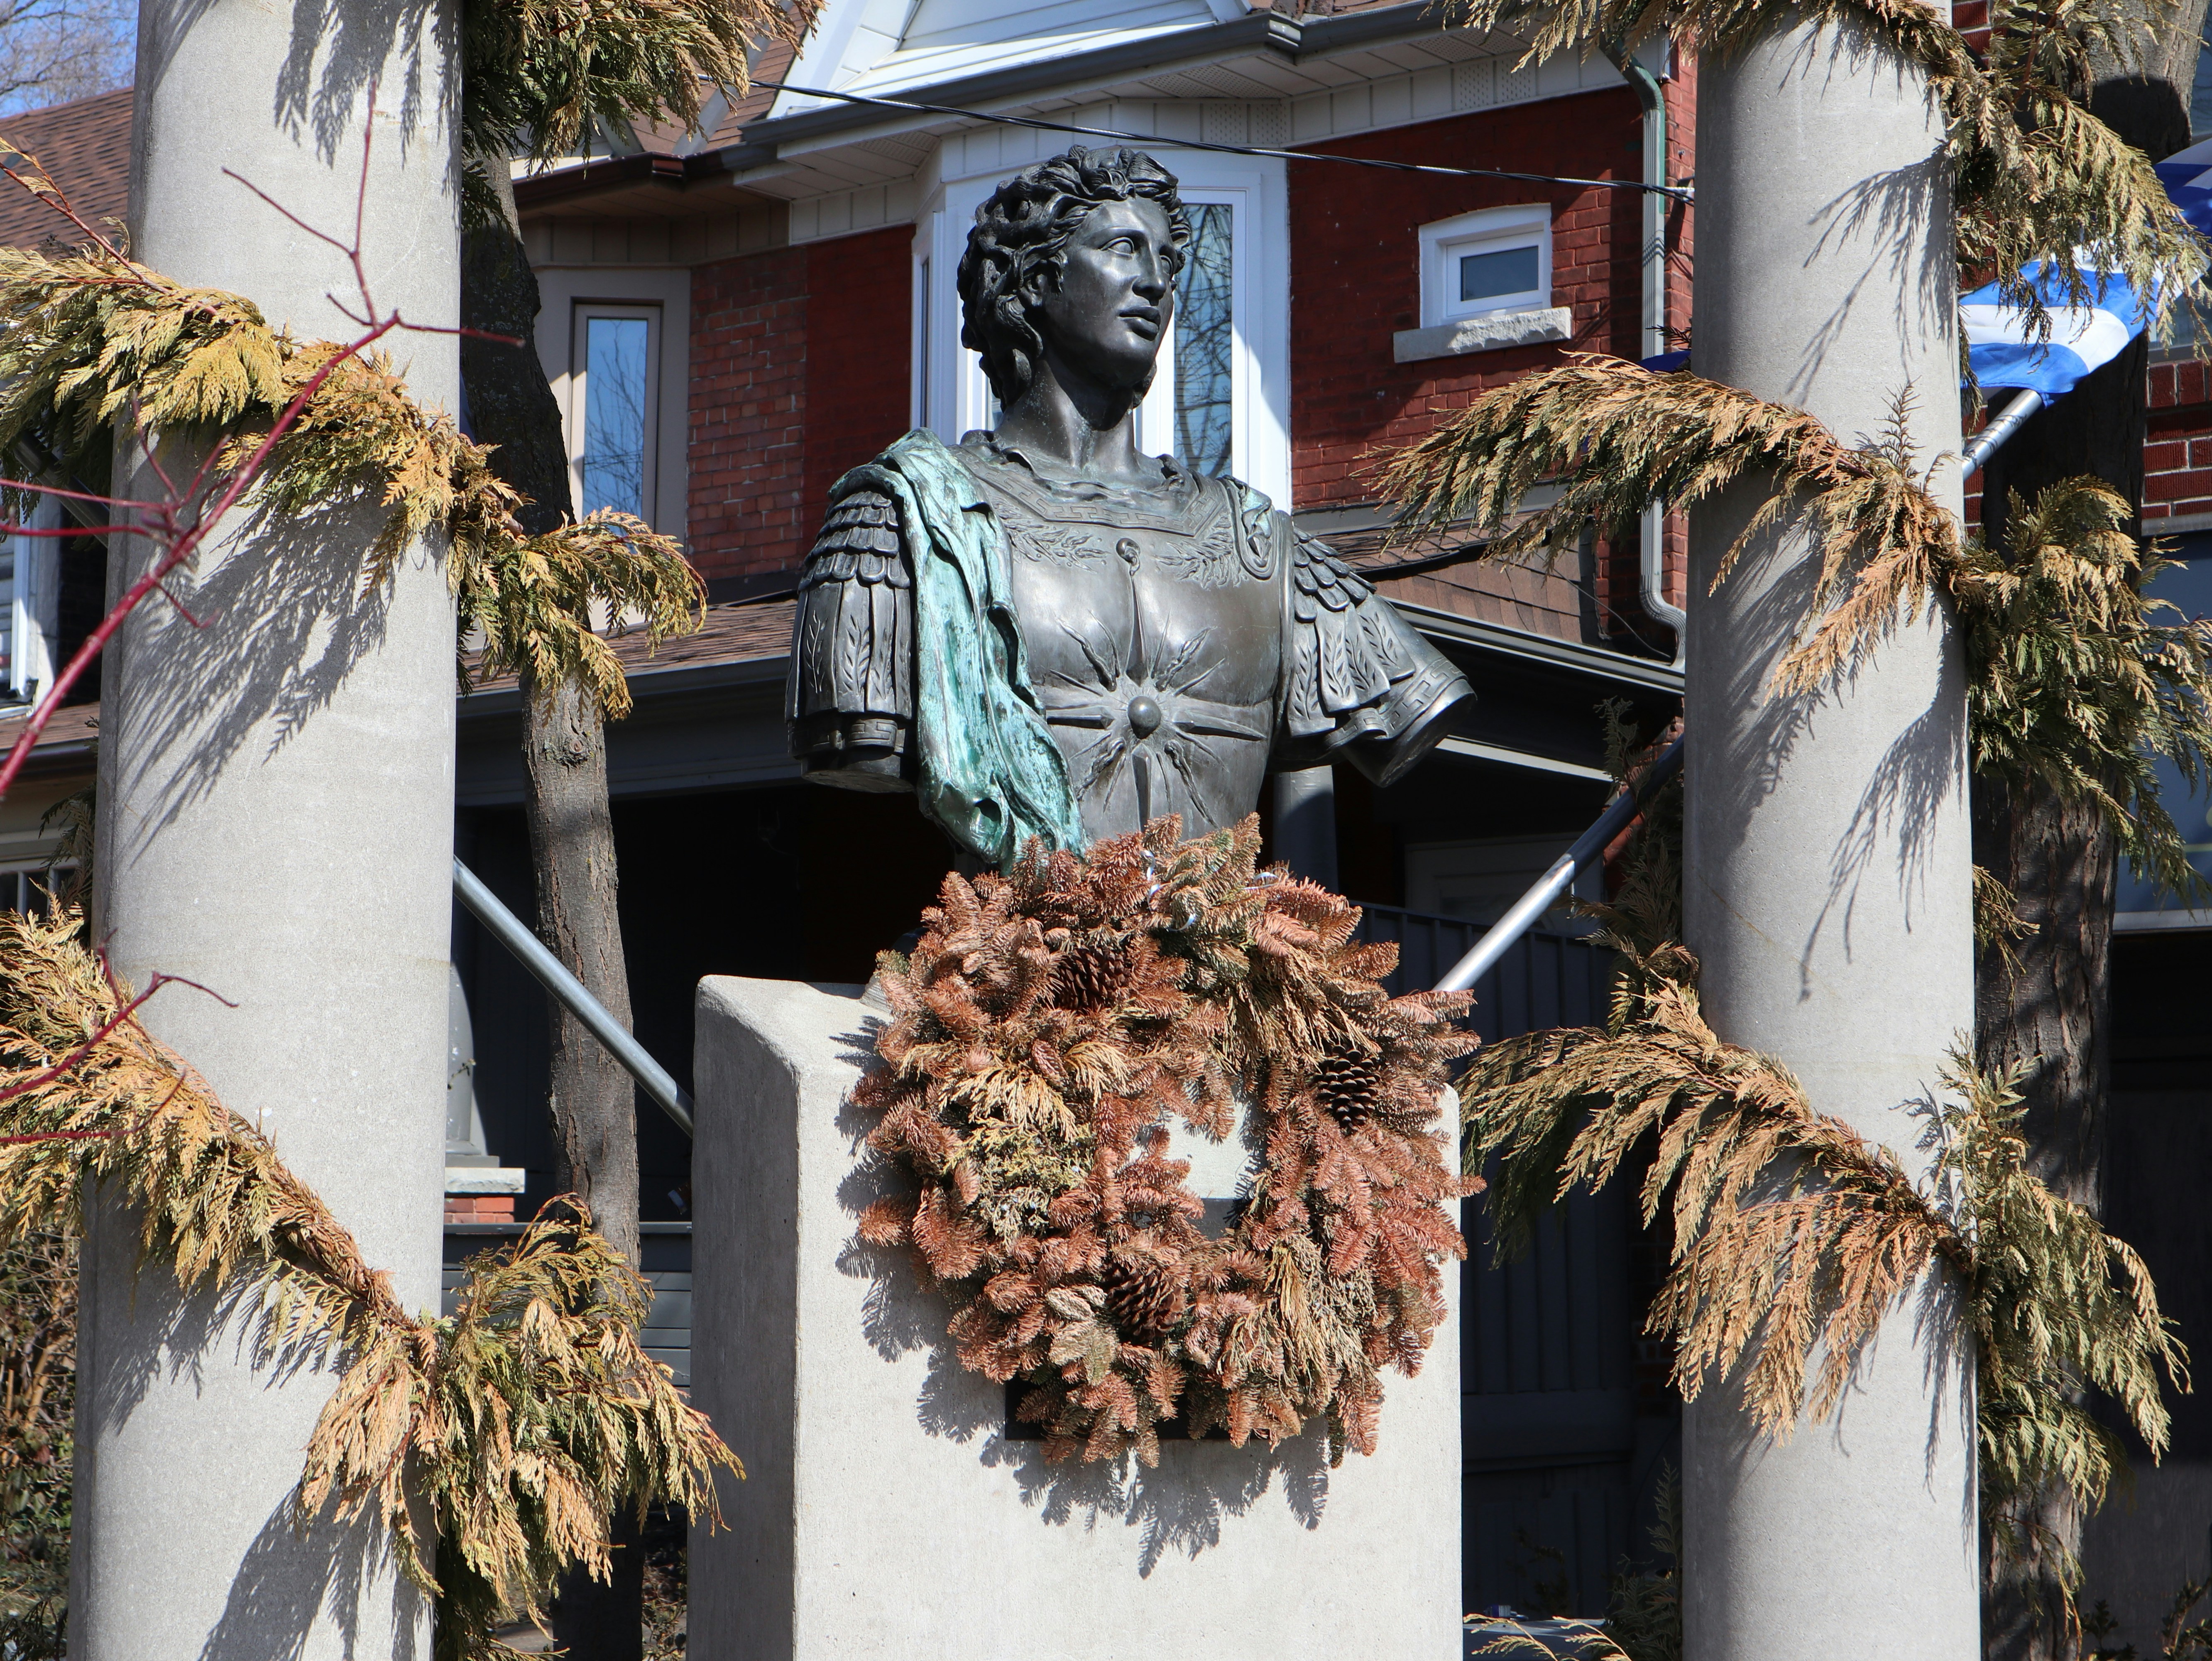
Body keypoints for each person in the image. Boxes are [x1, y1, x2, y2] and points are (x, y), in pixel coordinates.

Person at [786, 145, 1472, 868]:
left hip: (1220, 971)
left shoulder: (1257, 540)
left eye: (1169, 263)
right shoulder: (903, 520)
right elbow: (859, 739)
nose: (1155, 282)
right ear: (1038, 280)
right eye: (1123, 249)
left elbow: (1404, 708)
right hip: (1017, 968)